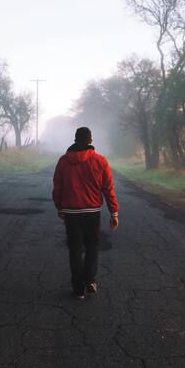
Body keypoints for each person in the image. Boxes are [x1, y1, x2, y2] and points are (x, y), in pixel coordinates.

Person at [52, 127, 119, 299]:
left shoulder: (63, 161)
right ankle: (89, 280)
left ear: (75, 139)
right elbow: (108, 188)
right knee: (92, 247)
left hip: (71, 212)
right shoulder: (100, 161)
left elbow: (57, 187)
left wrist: (59, 207)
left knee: (75, 250)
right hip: (92, 212)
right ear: (91, 140)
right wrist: (114, 213)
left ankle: (78, 288)